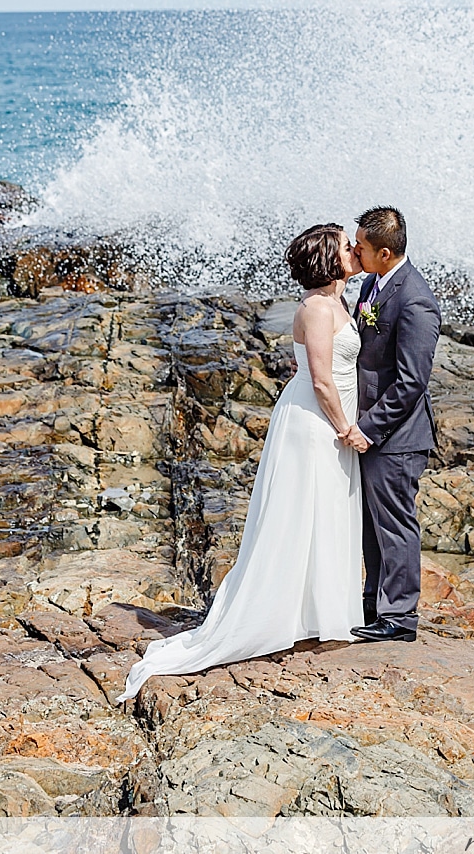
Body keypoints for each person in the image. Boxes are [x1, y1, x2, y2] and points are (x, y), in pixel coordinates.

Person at [117, 223, 365, 702]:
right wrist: (346, 428)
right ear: (329, 260)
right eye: (344, 245)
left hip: (326, 418)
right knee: (301, 515)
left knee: (327, 513)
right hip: (317, 423)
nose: (353, 249)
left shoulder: (338, 301)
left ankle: (320, 614)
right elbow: (317, 379)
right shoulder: (316, 307)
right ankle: (282, 616)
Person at [344, 207, 441, 643]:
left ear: (384, 252)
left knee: (396, 525)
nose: (355, 251)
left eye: (361, 247)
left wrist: (369, 428)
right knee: (371, 523)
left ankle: (399, 618)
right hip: (371, 428)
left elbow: (411, 381)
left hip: (397, 437)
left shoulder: (415, 300)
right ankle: (373, 605)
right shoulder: (371, 283)